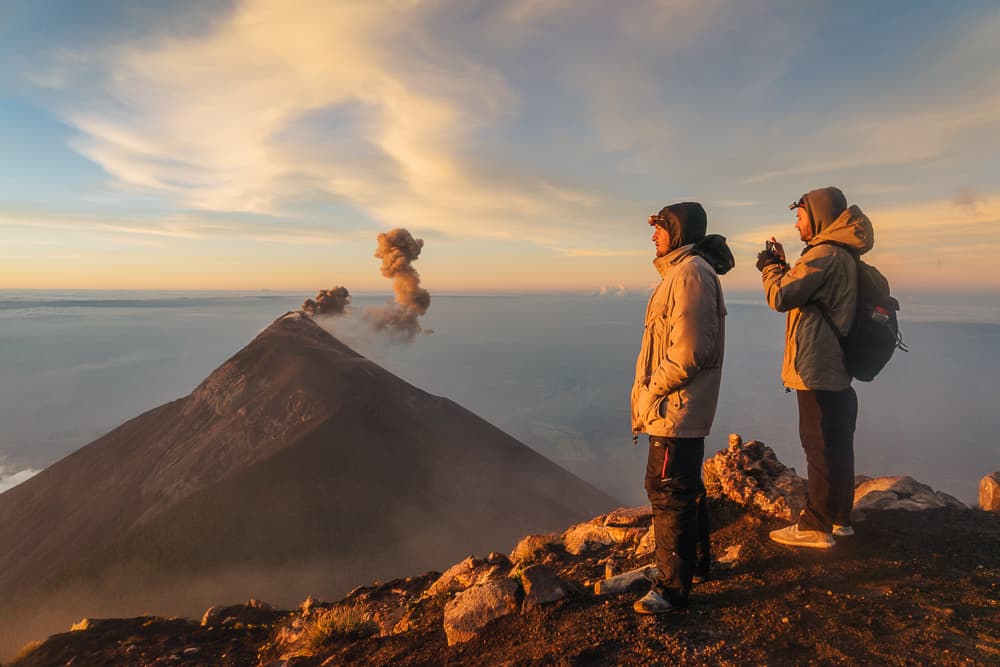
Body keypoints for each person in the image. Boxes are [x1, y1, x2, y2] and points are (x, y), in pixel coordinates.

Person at [755, 186, 874, 548]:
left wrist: (770, 268)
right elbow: (810, 292)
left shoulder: (823, 254)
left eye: (800, 215)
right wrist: (788, 266)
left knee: (818, 444)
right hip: (835, 365)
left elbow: (781, 296)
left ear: (818, 216)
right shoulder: (839, 254)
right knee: (837, 444)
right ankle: (839, 517)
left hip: (818, 365)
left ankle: (815, 525)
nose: (796, 223)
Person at [631, 202, 730, 614]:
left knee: (668, 490)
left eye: (659, 228)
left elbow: (690, 351)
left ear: (677, 231)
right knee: (683, 487)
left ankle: (672, 589)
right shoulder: (684, 273)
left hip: (675, 408)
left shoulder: (690, 274)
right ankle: (696, 566)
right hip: (677, 407)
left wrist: (652, 392)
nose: (653, 236)